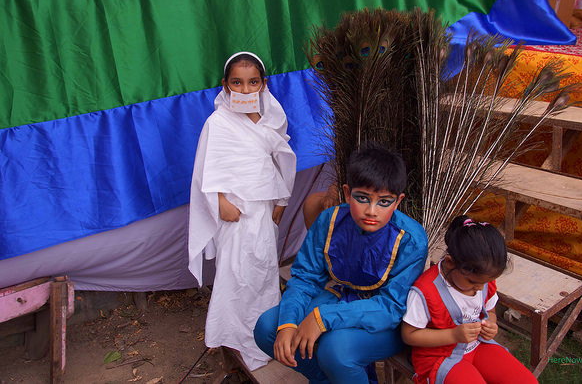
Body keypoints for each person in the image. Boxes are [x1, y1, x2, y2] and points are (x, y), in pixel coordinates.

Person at [254, 144, 429, 383]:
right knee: (268, 328)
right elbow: (305, 277)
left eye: (384, 202)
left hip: (386, 320)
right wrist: (288, 323)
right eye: (362, 198)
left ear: (398, 201)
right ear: (347, 193)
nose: (371, 211)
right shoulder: (330, 219)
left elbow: (390, 307)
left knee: (335, 350)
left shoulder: (410, 239)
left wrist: (322, 318)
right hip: (338, 297)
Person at [188, 52, 296, 371]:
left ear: (263, 85)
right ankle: (235, 335)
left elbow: (280, 159)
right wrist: (220, 203)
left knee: (261, 272)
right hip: (234, 213)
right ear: (226, 85)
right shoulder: (217, 123)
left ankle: (262, 336)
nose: (245, 90)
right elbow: (204, 171)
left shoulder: (271, 120)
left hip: (262, 212)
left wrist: (280, 202)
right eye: (237, 83)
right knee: (235, 274)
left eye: (252, 83)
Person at [401, 216, 538, 384]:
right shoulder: (425, 291)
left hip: (477, 346)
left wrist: (491, 325)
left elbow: (490, 310)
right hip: (439, 358)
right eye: (473, 282)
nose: (480, 288)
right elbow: (409, 335)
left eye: (485, 282)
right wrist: (453, 334)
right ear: (450, 263)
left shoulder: (482, 280)